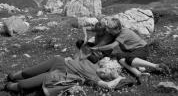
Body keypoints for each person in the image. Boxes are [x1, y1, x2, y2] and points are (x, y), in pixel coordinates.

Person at [3, 50, 133, 95]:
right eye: (107, 68)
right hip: (58, 61)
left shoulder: (94, 77)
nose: (104, 71)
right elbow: (84, 51)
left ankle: (7, 87)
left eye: (106, 74)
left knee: (24, 85)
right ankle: (11, 76)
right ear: (106, 64)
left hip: (58, 75)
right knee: (26, 72)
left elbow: (109, 86)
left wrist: (118, 78)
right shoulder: (96, 62)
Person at [90, 17, 170, 84]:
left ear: (117, 28)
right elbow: (105, 38)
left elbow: (112, 45)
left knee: (129, 59)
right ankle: (139, 74)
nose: (109, 31)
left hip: (142, 49)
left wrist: (97, 48)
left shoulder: (124, 33)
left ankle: (156, 66)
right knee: (119, 56)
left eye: (110, 30)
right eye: (108, 29)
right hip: (132, 51)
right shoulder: (115, 32)